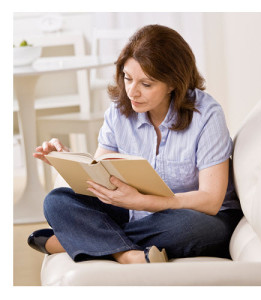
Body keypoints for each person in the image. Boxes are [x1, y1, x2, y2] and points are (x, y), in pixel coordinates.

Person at [28, 24, 242, 264]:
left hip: (198, 215)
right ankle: (125, 253)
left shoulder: (207, 115)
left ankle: (76, 240)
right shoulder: (119, 112)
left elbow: (211, 201)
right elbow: (100, 175)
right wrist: (69, 161)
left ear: (173, 83)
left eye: (146, 84)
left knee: (190, 227)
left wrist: (146, 202)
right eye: (128, 78)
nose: (132, 92)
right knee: (57, 201)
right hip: (134, 213)